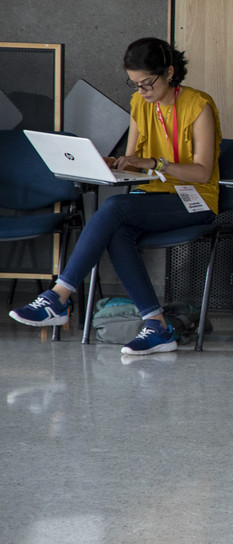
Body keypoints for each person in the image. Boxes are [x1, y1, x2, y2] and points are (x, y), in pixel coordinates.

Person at [10, 38, 221, 356]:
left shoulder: (199, 105)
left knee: (115, 207)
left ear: (170, 72)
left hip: (195, 198)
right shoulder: (140, 104)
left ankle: (58, 296)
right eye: (134, 84)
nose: (142, 91)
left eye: (147, 83)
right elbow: (135, 160)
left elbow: (203, 172)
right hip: (151, 196)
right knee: (118, 233)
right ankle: (157, 327)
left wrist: (153, 163)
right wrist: (114, 163)